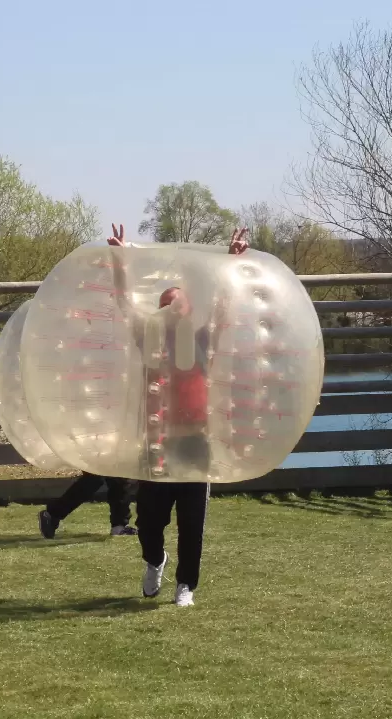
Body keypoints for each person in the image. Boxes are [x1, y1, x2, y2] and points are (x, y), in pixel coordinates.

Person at [107, 224, 249, 607]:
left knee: (192, 523)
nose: (173, 309)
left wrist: (233, 261)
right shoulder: (147, 338)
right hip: (157, 444)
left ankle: (186, 584)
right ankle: (154, 559)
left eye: (179, 304)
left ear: (188, 311)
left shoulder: (202, 339)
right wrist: (120, 262)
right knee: (149, 522)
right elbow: (123, 306)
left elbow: (224, 309)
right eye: (166, 304)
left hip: (194, 442)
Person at [37, 473, 138, 538]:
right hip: (98, 444)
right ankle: (53, 513)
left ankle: (119, 526)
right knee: (95, 478)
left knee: (118, 478)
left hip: (110, 444)